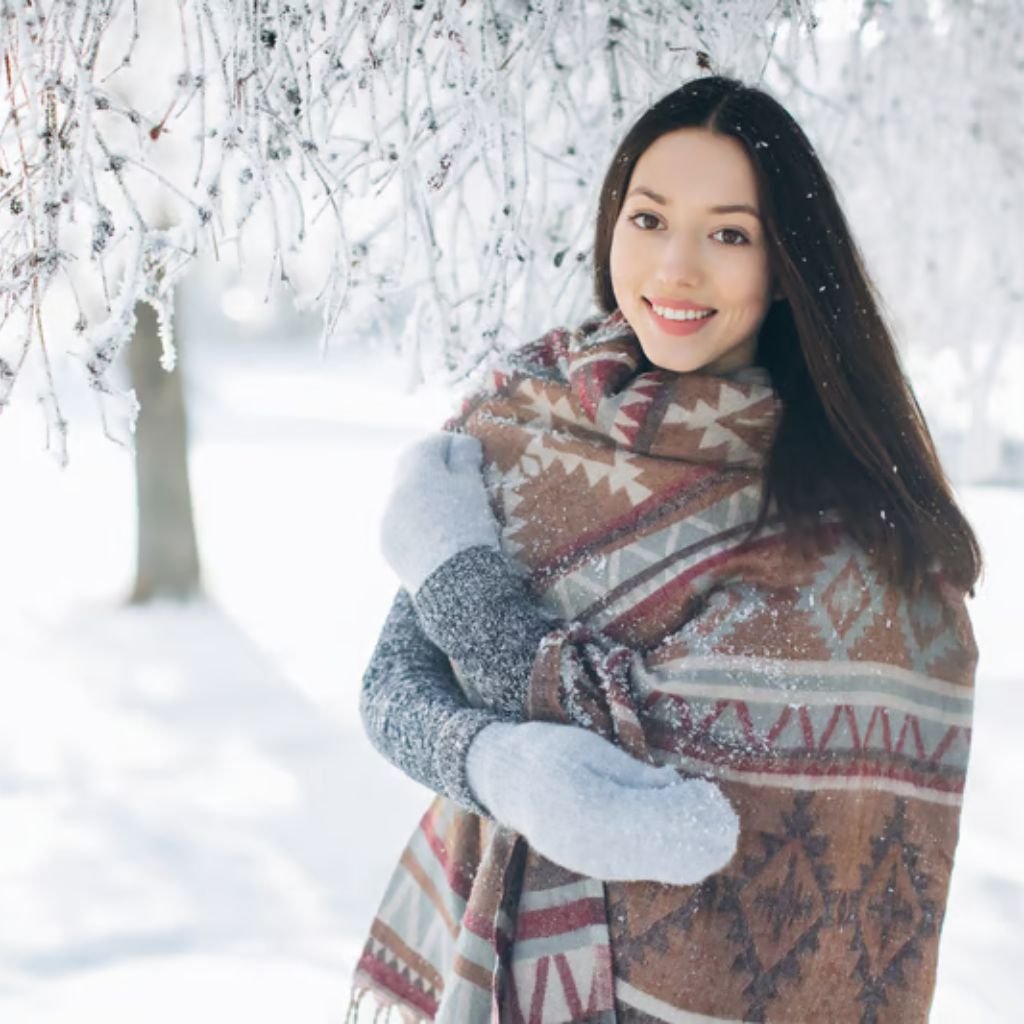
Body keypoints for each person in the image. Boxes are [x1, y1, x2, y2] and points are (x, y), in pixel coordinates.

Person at [350, 75, 980, 1024]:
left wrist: (454, 576)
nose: (676, 267)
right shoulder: (523, 424)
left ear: (786, 266)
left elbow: (653, 804)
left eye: (729, 234)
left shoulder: (844, 531)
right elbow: (392, 689)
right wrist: (499, 767)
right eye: (648, 220)